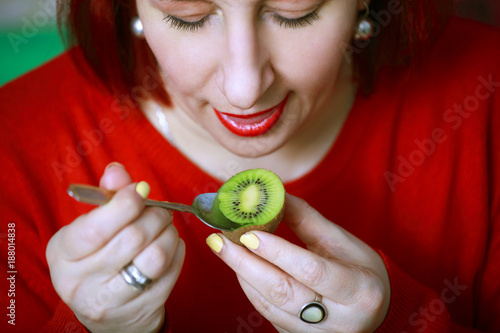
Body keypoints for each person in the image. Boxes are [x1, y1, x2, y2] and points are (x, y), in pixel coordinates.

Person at [0, 0, 499, 332]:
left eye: (295, 11)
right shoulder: (13, 141)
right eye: (189, 16)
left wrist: (399, 322)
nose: (245, 89)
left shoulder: (486, 92)